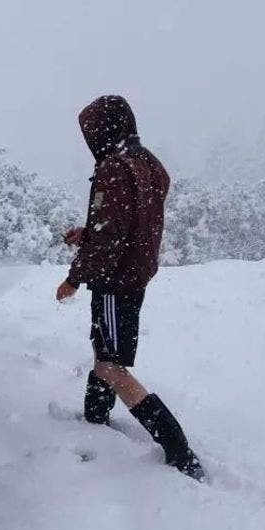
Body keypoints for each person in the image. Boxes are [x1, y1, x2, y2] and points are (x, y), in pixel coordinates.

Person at [56, 94, 205, 482]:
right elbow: (132, 222)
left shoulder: (114, 167)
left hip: (114, 279)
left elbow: (111, 235)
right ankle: (95, 418)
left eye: (90, 131)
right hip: (135, 275)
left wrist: (75, 276)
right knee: (104, 347)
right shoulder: (148, 163)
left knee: (111, 365)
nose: (89, 139)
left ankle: (177, 447)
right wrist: (88, 233)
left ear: (103, 129)